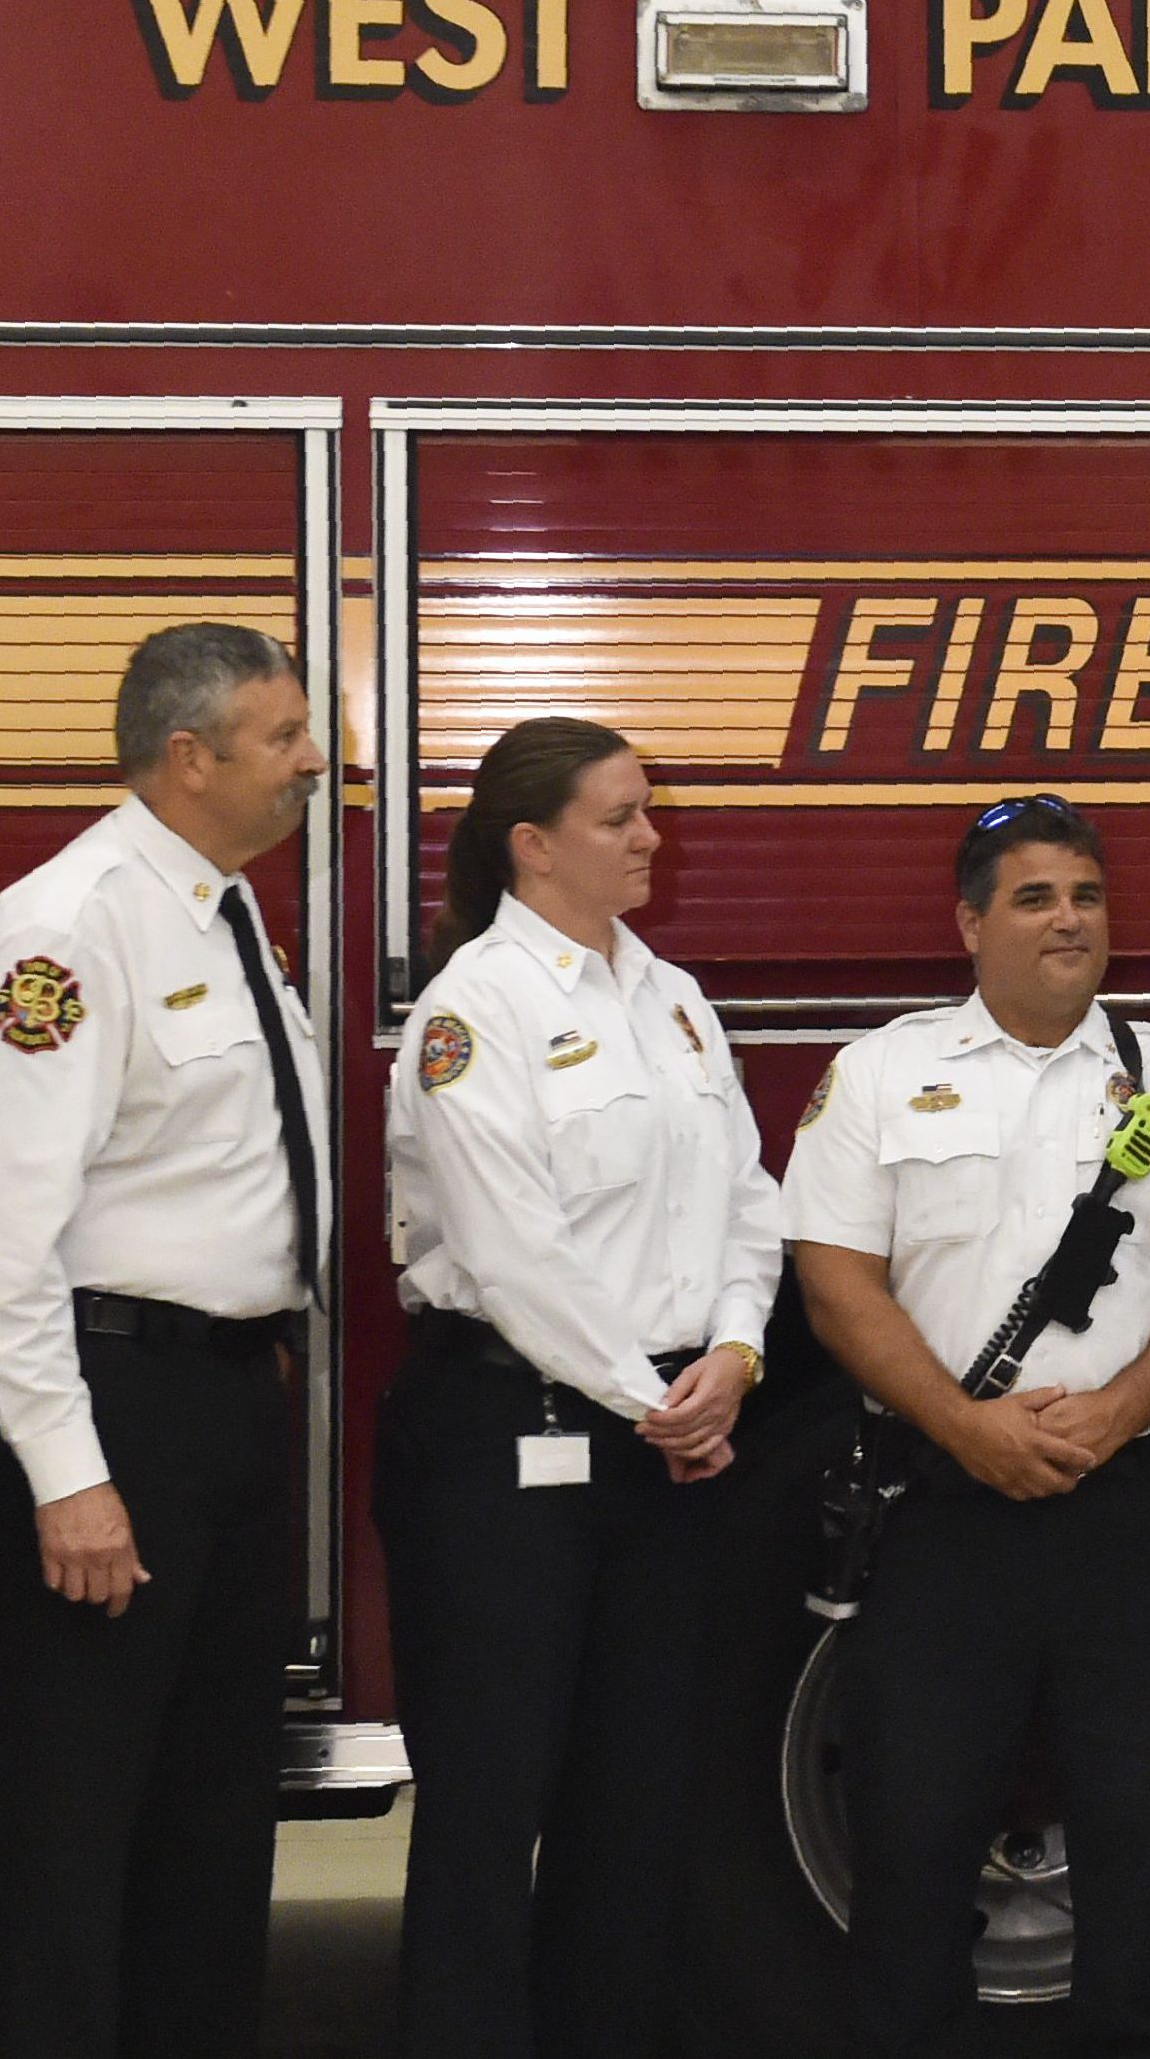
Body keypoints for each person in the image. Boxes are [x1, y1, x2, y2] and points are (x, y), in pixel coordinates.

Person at [782, 795, 1150, 2055]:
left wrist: (1114, 1413)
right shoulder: (885, 1073)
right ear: (970, 921)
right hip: (944, 1506)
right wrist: (962, 1424)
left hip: (1137, 1501)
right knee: (916, 1828)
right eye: (1036, 896)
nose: (1070, 919)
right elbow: (835, 1280)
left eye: (1088, 895)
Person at [0, 622, 327, 2057]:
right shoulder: (69, 925)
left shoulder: (222, 914)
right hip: (112, 1416)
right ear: (190, 755)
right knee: (73, 1822)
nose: (310, 761)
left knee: (216, 1813)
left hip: (217, 1403)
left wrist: (250, 1345)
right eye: (283, 737)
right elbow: (2, 1243)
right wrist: (69, 1474)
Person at [379, 716, 783, 2055]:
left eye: (647, 810)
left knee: (638, 1805)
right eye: (622, 817)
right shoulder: (472, 1013)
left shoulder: (667, 996)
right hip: (513, 1442)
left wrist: (733, 1351)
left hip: (666, 1437)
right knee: (493, 1808)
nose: (651, 836)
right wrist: (653, 1398)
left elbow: (747, 1195)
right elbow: (511, 1254)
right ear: (533, 846)